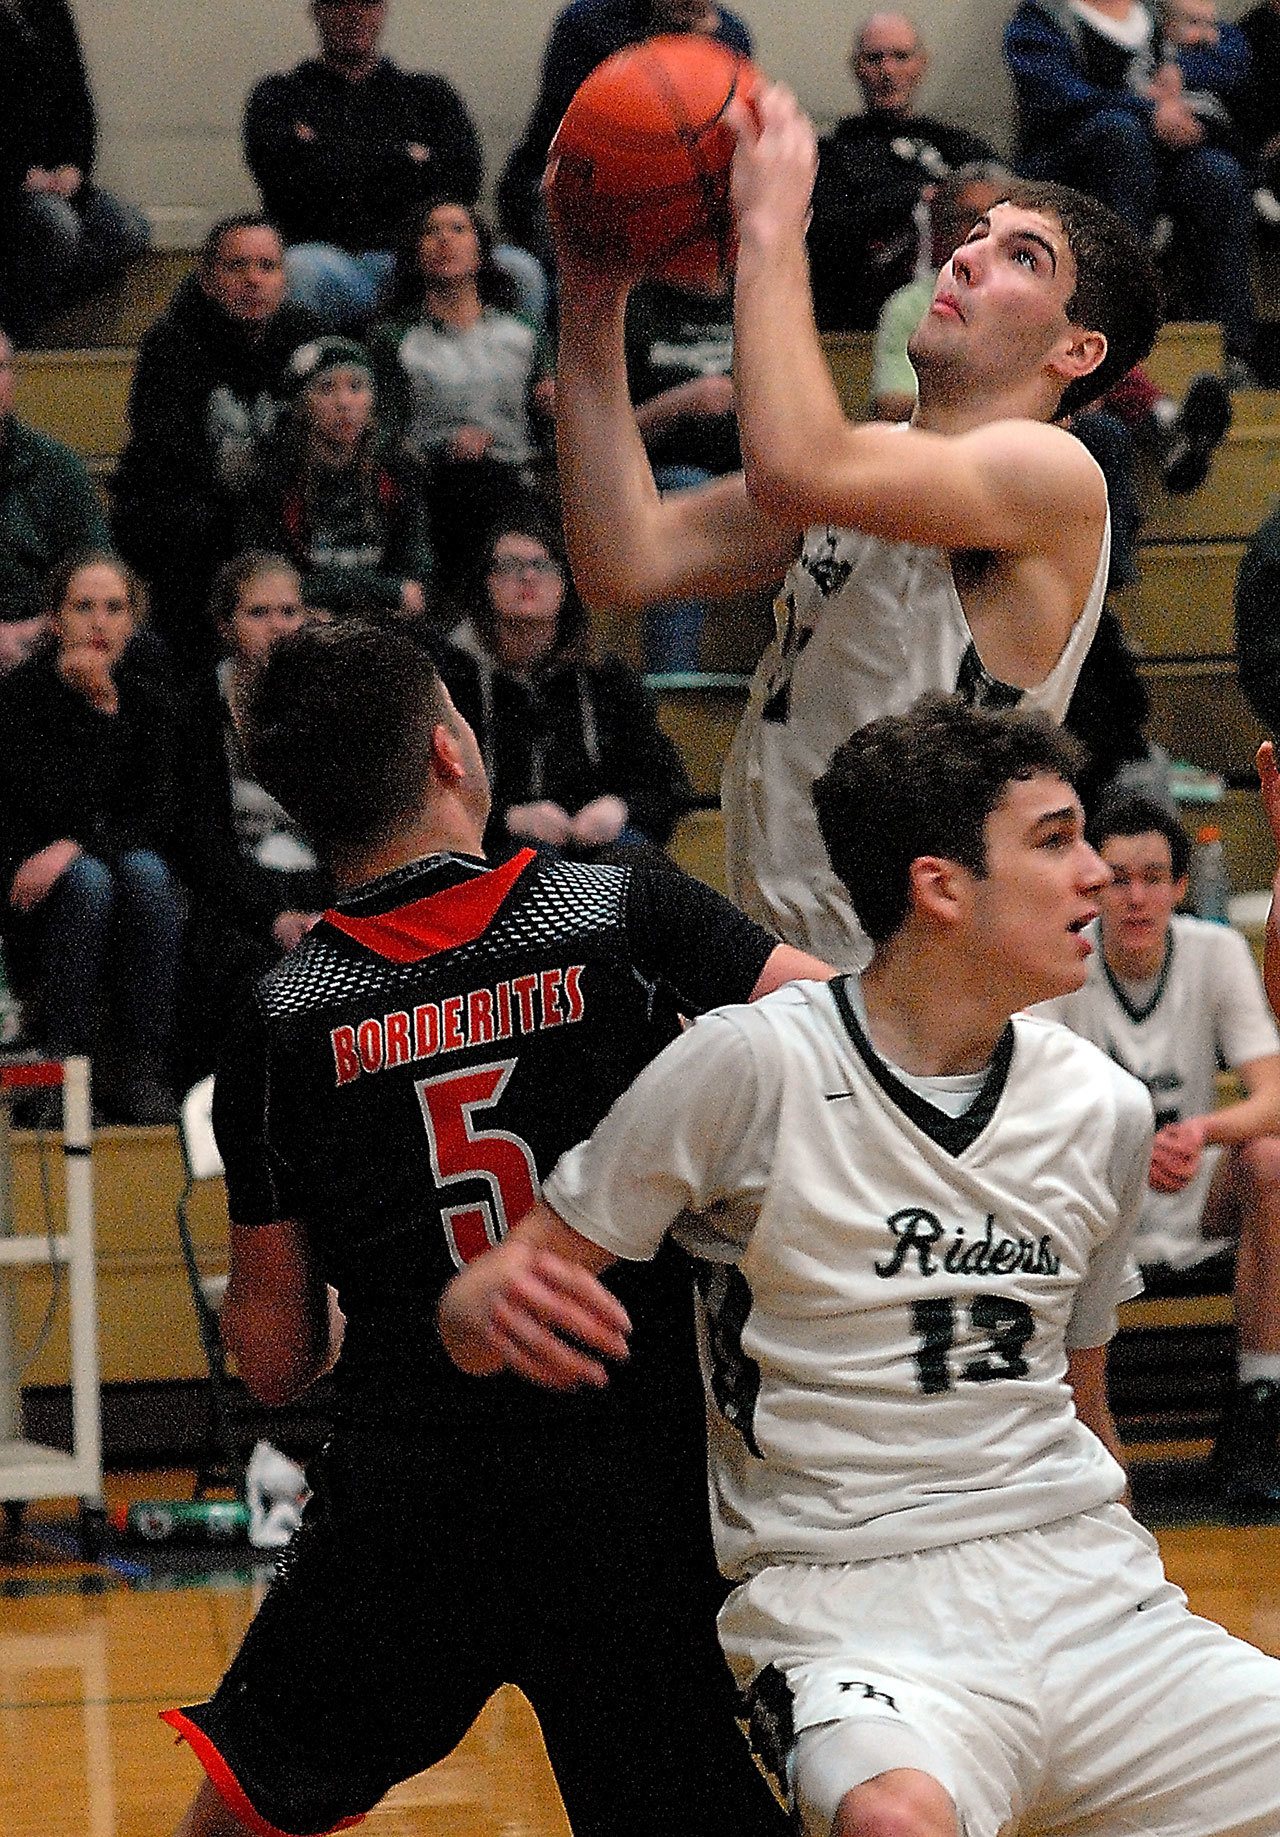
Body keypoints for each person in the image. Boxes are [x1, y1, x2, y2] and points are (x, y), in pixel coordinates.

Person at [442, 692, 1280, 1837]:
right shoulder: (745, 1069)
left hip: (1085, 1587)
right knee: (893, 1823)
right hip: (846, 1605)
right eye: (1053, 841)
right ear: (938, 886)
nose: (1094, 874)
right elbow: (499, 1292)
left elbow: (1083, 1405)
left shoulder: (1103, 1108)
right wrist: (473, 1301)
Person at [162, 618, 823, 1837]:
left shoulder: (282, 1016)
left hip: (412, 1493)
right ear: (451, 751)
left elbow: (274, 1359)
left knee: (245, 1805)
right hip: (632, 1476)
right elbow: (847, 1052)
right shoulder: (616, 909)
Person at [554, 82, 1162, 967]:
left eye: (1022, 257)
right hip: (800, 969)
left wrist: (771, 226)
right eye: (975, 237)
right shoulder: (873, 467)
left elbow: (796, 462)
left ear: (1077, 351)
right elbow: (626, 556)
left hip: (909, 985)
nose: (964, 259)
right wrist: (590, 300)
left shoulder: (1053, 473)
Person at [1038, 794, 1280, 1502]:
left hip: (1187, 1181)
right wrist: (1124, 1143)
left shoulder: (1217, 949)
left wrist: (1204, 1131)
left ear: (1180, 885)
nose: (1137, 896)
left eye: (1154, 876)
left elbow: (1272, 1092)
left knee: (1268, 1159)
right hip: (1092, 1185)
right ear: (1092, 883)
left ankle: (1262, 1400)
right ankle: (1077, 1422)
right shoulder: (1062, 954)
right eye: (1118, 877)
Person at [0, 553, 184, 1125]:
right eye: (83, 607)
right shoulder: (20, 698)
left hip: (96, 863)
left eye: (115, 607)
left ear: (134, 620)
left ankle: (142, 1063)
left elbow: (156, 815)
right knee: (91, 881)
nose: (99, 622)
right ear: (55, 620)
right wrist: (96, 716)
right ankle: (61, 1063)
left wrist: (108, 709)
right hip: (27, 878)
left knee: (146, 874)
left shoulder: (149, 696)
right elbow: (36, 811)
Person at [243, 0, 541, 331]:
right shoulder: (279, 96)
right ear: (316, 10)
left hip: (423, 258)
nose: (353, 15)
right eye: (340, 5)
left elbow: (463, 184)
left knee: (521, 269)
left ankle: (537, 379)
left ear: (383, 9)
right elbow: (287, 186)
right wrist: (404, 157)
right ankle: (319, 378)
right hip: (334, 262)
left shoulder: (430, 96)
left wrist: (328, 151)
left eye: (367, 4)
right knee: (303, 268)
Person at [1005, 0, 1258, 384]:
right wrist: (1145, 111)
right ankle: (1121, 324)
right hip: (1075, 161)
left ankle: (1230, 349)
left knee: (1217, 175)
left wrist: (1184, 107)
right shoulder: (1043, 17)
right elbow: (1054, 96)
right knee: (1122, 135)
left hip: (1152, 159)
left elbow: (1231, 59)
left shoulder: (1156, 18)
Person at [111, 215, 320, 672]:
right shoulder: (169, 344)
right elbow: (169, 457)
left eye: (267, 266)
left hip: (271, 510)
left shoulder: (307, 339)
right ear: (207, 279)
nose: (253, 279)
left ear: (284, 279)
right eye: (237, 266)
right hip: (188, 517)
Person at [440, 516, 691, 858]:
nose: (527, 577)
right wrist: (509, 819)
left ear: (564, 584)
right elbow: (434, 794)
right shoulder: (451, 678)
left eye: (541, 565)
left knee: (643, 868)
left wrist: (621, 808)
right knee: (533, 868)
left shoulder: (607, 676)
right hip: (495, 848)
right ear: (485, 582)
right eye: (510, 565)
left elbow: (665, 781)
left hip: (599, 842)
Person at [182, 553, 331, 1082]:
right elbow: (201, 844)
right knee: (235, 965)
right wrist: (274, 917)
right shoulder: (197, 708)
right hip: (237, 900)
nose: (277, 628)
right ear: (226, 626)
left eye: (289, 612)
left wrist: (322, 914)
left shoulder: (331, 703)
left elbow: (352, 827)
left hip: (323, 893)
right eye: (258, 613)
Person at [370, 200, 552, 592]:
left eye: (457, 229)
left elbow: (548, 421)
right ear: (415, 252)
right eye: (430, 231)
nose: (443, 241)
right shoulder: (394, 339)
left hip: (516, 481)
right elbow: (384, 432)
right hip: (433, 485)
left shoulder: (523, 332)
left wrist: (552, 404)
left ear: (481, 250)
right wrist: (441, 448)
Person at [497, 0, 753, 269]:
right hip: (573, 180)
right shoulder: (587, 24)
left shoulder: (729, 34)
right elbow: (581, 129)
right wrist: (682, 40)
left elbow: (729, 138)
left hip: (680, 189)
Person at [807, 12, 996, 334]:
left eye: (900, 56)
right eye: (874, 58)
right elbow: (822, 235)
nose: (888, 71)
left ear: (921, 63)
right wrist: (912, 200)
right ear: (856, 66)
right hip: (857, 326)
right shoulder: (829, 157)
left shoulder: (962, 149)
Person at [237, 334, 432, 621]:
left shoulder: (398, 470)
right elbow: (273, 586)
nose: (344, 402)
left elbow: (417, 583)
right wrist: (384, 590)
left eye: (356, 387)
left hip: (384, 623)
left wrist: (383, 594)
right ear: (301, 403)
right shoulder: (272, 479)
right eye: (326, 389)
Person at [0, 0, 149, 343]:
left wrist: (74, 166)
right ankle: (17, 329)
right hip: (11, 185)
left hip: (53, 179)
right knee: (57, 227)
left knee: (128, 228)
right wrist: (19, 174)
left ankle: (33, 315)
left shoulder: (50, 11)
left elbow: (77, 99)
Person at [0, 322, 110, 669]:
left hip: (44, 642)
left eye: (0, 367)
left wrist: (44, 630)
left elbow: (95, 573)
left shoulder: (58, 468)